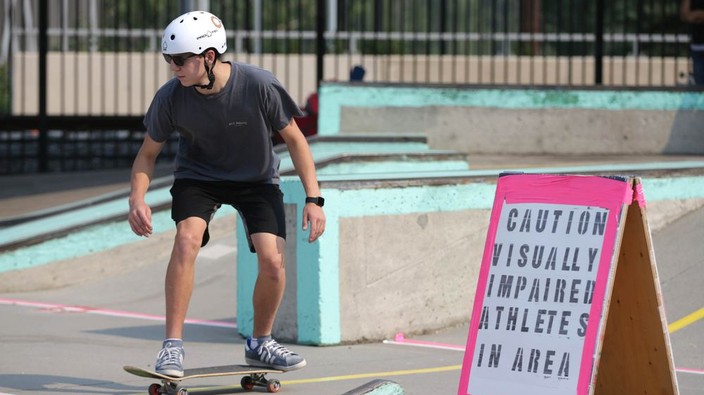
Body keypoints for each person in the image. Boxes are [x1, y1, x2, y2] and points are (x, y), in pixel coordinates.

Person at [127, 11, 326, 377]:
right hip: (199, 177)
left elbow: (296, 141)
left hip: (257, 180)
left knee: (273, 263)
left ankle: (260, 343)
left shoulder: (257, 85)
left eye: (181, 60)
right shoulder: (171, 97)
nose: (174, 67)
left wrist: (314, 199)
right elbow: (147, 154)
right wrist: (136, 198)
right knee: (186, 241)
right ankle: (171, 347)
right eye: (168, 60)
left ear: (208, 56)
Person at [681, 0, 704, 85]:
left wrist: (695, 15)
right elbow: (686, 16)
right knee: (699, 86)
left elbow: (691, 16)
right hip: (697, 46)